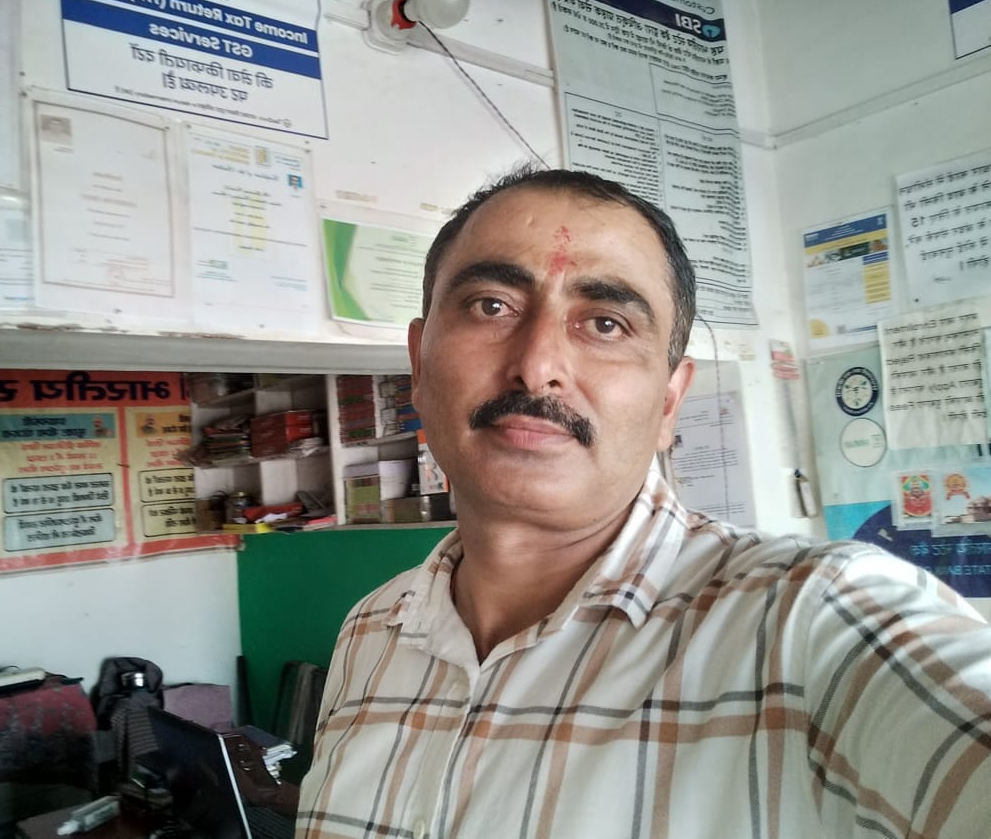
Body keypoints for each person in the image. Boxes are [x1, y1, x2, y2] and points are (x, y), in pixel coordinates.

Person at [296, 167, 991, 838]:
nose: (537, 366)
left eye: (605, 324)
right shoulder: (370, 631)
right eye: (491, 305)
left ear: (668, 399)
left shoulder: (812, 617)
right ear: (418, 364)